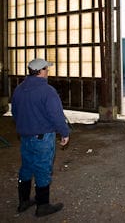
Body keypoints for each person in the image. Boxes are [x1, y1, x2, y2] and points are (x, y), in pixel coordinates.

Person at [11, 58, 70, 217]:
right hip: (43, 137)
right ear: (41, 71)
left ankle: (23, 202)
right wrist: (64, 132)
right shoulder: (48, 91)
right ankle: (43, 206)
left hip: (25, 136)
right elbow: (56, 116)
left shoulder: (19, 89)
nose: (48, 71)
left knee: (27, 167)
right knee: (43, 169)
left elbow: (15, 113)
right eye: (46, 69)